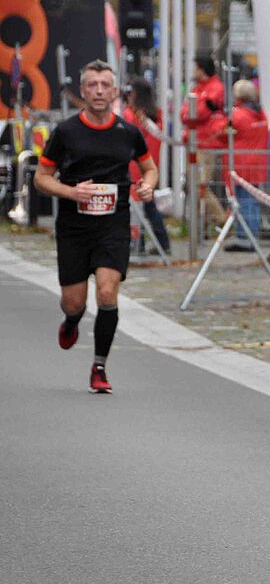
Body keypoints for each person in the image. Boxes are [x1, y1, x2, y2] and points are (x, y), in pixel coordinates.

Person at [34, 60, 158, 393]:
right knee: (74, 302)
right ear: (83, 90)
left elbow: (149, 169)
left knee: (106, 292)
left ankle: (99, 367)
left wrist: (147, 187)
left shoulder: (128, 132)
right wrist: (72, 192)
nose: (99, 91)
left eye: (105, 85)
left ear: (115, 91)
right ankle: (72, 321)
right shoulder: (66, 132)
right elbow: (41, 178)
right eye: (92, 85)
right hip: (74, 227)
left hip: (113, 224)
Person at [220, 79, 270, 251]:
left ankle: (246, 238)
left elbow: (221, 132)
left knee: (245, 201)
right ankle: (250, 235)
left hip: (241, 165)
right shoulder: (261, 114)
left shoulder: (238, 115)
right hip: (258, 164)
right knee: (251, 201)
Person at [122, 77, 170, 254]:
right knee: (148, 206)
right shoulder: (157, 114)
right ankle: (159, 241)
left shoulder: (132, 115)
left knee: (138, 207)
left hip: (134, 165)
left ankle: (139, 242)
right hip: (150, 164)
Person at [181, 54, 228, 230]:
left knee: (199, 186)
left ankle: (221, 219)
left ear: (201, 68)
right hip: (194, 143)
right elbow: (185, 113)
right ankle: (205, 226)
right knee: (193, 184)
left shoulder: (215, 88)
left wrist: (191, 113)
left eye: (194, 67)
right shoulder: (198, 88)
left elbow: (198, 113)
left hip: (207, 144)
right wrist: (190, 113)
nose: (192, 71)